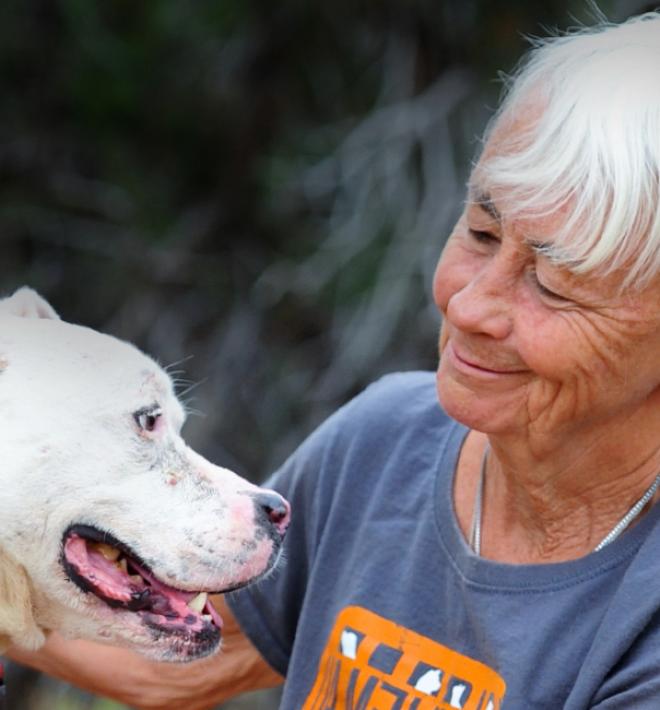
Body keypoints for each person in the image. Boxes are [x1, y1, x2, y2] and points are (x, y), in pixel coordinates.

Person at [10, 11, 660, 709]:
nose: (470, 305)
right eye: (479, 231)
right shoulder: (386, 443)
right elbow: (192, 654)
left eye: (553, 284)